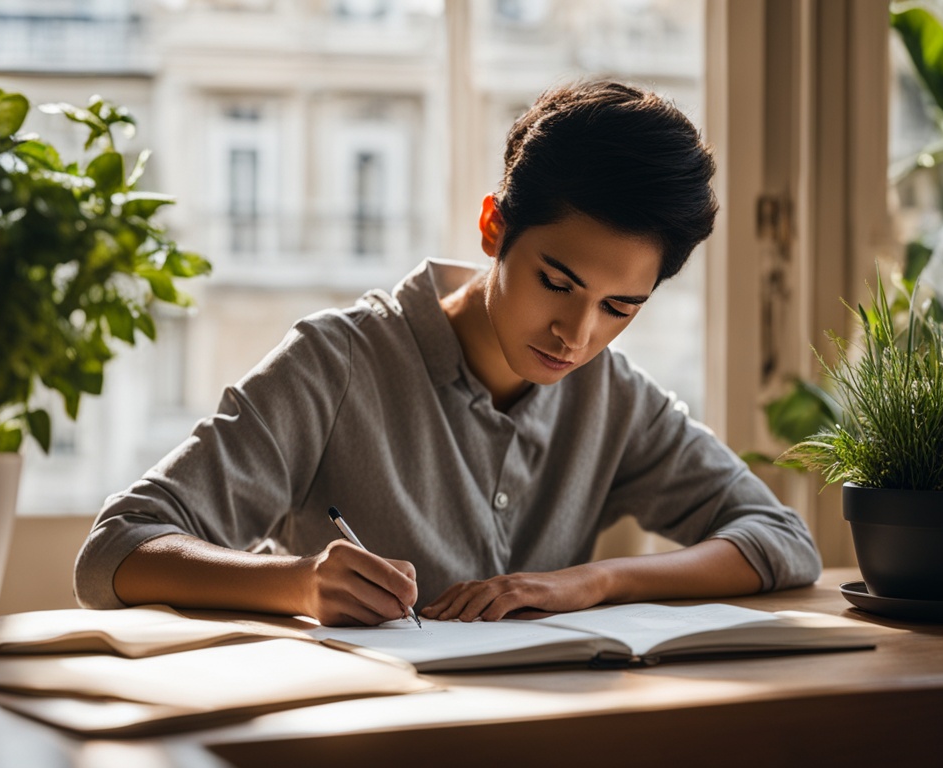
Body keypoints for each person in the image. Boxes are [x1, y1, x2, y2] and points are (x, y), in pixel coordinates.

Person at [74, 80, 822, 626]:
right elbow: (116, 549)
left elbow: (782, 542)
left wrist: (593, 583)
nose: (577, 334)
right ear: (493, 227)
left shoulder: (614, 399)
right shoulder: (335, 363)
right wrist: (298, 584)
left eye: (619, 307)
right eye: (556, 282)